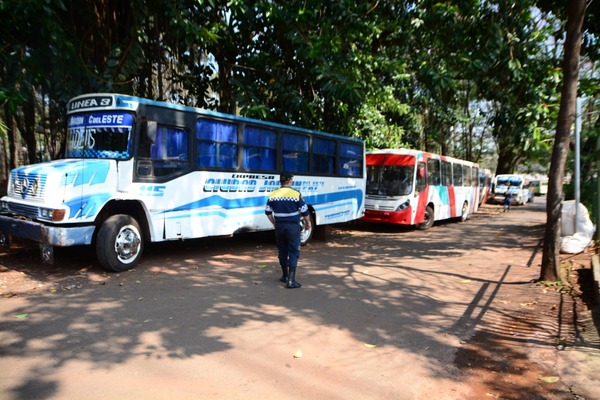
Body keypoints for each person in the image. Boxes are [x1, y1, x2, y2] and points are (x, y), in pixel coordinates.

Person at [265, 172, 311, 289]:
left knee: (282, 250)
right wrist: (308, 223)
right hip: (292, 227)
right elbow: (304, 211)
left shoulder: (273, 194)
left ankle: (285, 276)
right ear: (290, 181)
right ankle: (291, 280)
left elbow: (268, 212)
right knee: (294, 251)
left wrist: (275, 223)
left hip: (280, 226)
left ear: (281, 181)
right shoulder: (296, 194)